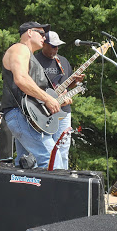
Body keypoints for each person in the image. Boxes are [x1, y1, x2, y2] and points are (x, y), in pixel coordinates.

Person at [0, 22, 72, 170]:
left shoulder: (29, 55)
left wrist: (56, 101)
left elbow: (34, 93)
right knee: (52, 160)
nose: (44, 37)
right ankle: (54, 193)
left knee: (27, 166)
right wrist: (48, 99)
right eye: (41, 33)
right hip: (20, 114)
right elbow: (21, 79)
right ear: (29, 33)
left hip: (28, 117)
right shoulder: (19, 49)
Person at [35, 31, 84, 170]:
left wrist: (75, 82)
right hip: (43, 111)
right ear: (43, 44)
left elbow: (67, 86)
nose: (56, 49)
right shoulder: (35, 61)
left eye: (58, 46)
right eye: (53, 46)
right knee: (46, 146)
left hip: (64, 111)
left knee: (63, 147)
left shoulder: (62, 61)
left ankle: (62, 177)